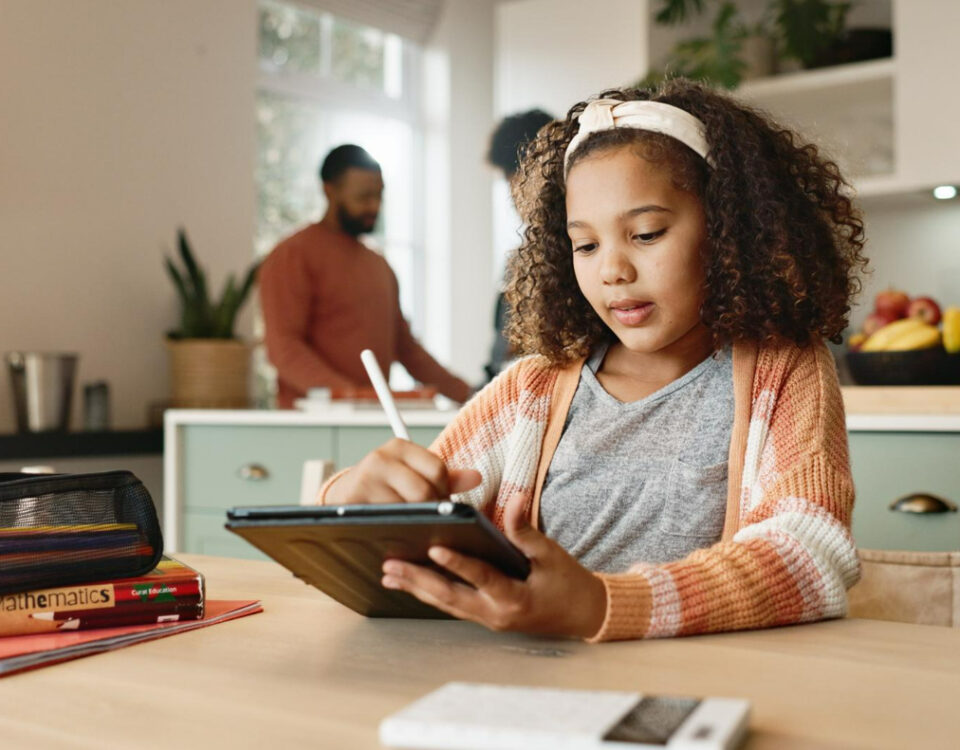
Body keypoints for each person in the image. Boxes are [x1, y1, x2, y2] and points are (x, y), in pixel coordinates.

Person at [317, 79, 867, 642]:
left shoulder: (781, 369)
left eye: (646, 234)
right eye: (586, 245)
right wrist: (348, 499)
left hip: (698, 684)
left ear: (729, 229)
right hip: (529, 683)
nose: (612, 271)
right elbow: (408, 523)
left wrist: (604, 605)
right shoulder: (533, 389)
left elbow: (812, 551)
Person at [259, 144, 472, 408]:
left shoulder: (379, 265)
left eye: (379, 195)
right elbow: (283, 347)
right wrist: (350, 396)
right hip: (313, 418)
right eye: (363, 197)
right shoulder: (292, 255)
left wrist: (471, 395)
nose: (374, 206)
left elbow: (406, 349)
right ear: (329, 190)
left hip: (370, 416)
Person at [483, 109, 555, 382]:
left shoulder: (578, 254)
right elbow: (501, 355)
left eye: (512, 176)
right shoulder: (517, 261)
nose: (512, 193)